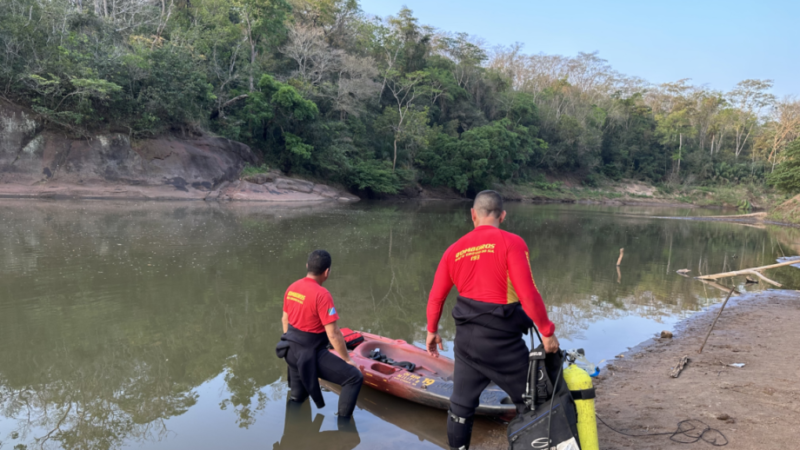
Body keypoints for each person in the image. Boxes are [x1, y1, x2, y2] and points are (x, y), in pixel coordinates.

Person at [425, 190, 560, 450]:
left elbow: (436, 297)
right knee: (533, 401)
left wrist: (432, 330)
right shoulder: (512, 242)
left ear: (472, 215)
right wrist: (547, 331)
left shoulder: (453, 250)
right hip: (501, 342)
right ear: (503, 215)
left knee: (461, 404)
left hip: (465, 342)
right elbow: (527, 293)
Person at [276, 249, 363, 420]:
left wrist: (293, 341)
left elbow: (284, 320)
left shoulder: (292, 287)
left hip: (289, 350)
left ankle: (291, 437)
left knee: (297, 398)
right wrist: (346, 359)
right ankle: (344, 428)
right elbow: (333, 334)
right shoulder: (322, 295)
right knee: (354, 378)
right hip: (309, 354)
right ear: (327, 272)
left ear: (307, 266)